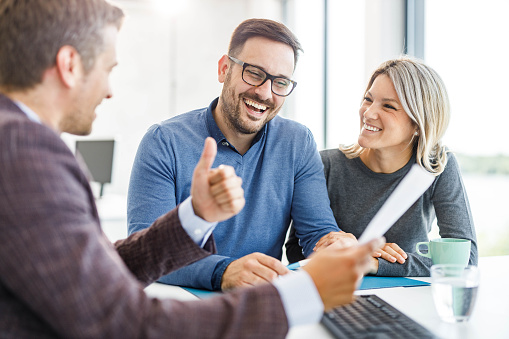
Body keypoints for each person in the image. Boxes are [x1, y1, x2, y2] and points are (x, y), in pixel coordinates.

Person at [0, 0, 385, 337]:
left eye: (280, 82)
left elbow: (95, 273)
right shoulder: (24, 150)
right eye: (107, 68)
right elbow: (122, 321)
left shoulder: (15, 141)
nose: (109, 90)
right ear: (69, 65)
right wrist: (299, 296)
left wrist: (194, 217)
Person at [127, 18, 356, 291]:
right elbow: (145, 253)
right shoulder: (164, 142)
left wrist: (333, 244)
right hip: (180, 306)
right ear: (225, 69)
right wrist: (224, 271)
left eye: (280, 83)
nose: (264, 93)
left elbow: (316, 233)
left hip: (259, 305)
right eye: (255, 74)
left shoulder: (297, 142)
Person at [286, 56, 478, 276]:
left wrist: (377, 264)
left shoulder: (436, 166)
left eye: (388, 106)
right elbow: (295, 250)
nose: (368, 113)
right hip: (342, 295)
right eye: (368, 99)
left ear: (418, 123)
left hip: (407, 295)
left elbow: (466, 259)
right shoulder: (325, 165)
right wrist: (359, 253)